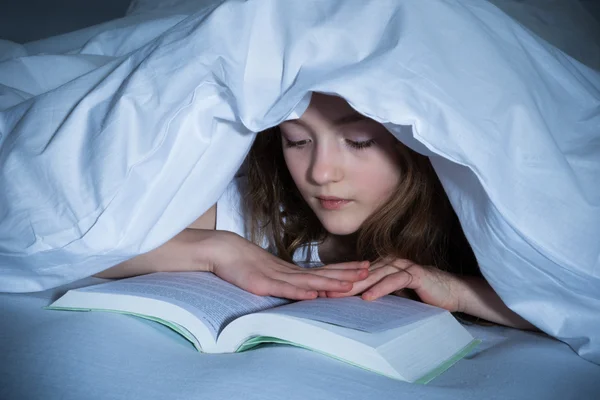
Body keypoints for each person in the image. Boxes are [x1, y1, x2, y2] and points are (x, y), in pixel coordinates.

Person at [97, 92, 535, 330]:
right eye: (297, 140)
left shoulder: (481, 221)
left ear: (418, 147)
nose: (321, 172)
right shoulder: (265, 203)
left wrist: (459, 292)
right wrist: (215, 248)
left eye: (359, 141)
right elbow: (79, 248)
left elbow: (578, 307)